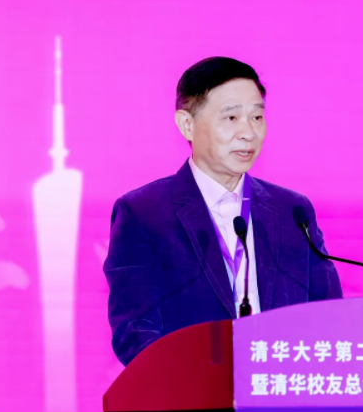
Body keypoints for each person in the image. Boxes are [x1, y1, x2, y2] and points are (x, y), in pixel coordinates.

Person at [104, 57, 342, 366]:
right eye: (231, 118)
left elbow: (328, 317)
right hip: (191, 394)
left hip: (281, 388)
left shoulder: (293, 211)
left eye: (257, 117)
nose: (249, 132)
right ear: (187, 124)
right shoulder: (143, 213)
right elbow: (135, 333)